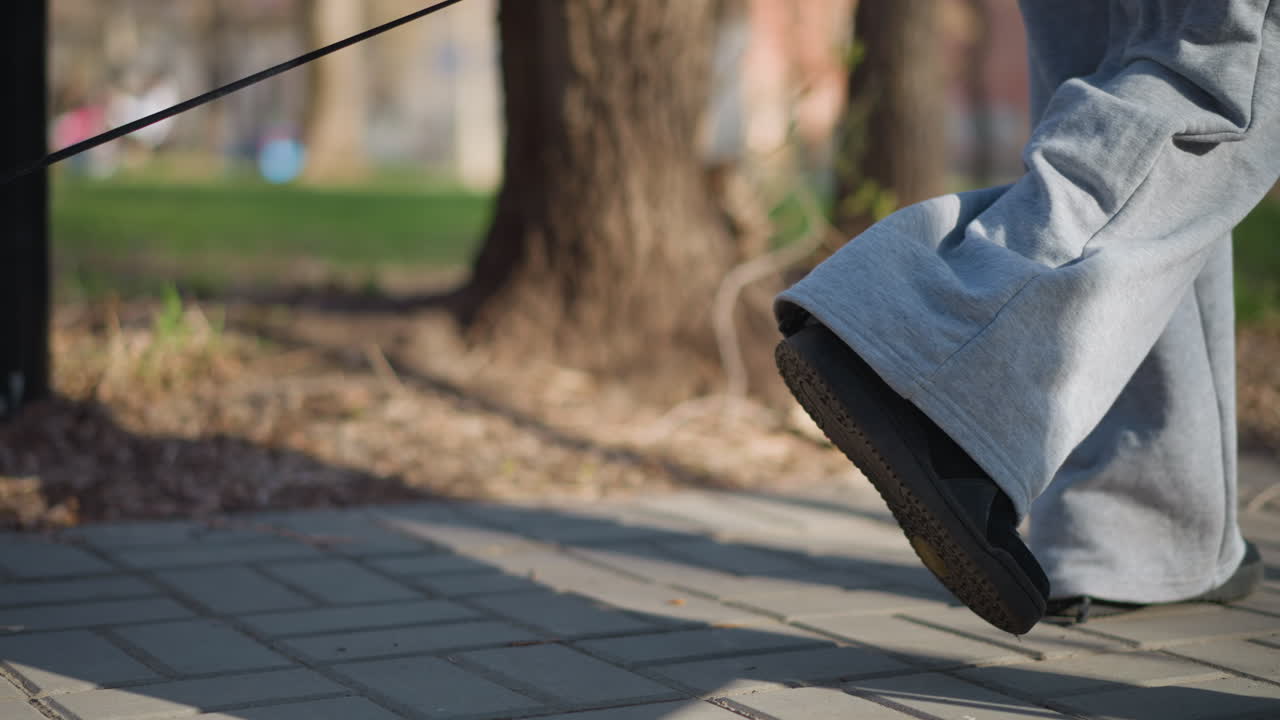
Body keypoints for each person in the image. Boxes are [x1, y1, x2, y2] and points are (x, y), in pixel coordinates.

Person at [775, 0, 1276, 634]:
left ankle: (1134, 529)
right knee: (1225, 67)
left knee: (1112, 69)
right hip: (935, 363)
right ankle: (934, 370)